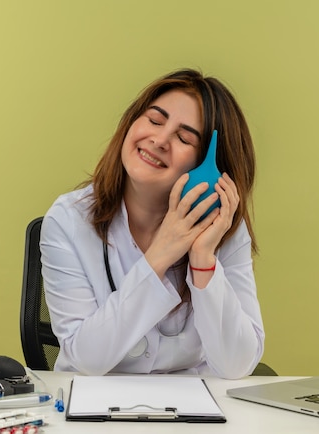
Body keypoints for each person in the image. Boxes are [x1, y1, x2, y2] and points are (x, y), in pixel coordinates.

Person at [40, 68, 264, 379]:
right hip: (93, 405)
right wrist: (160, 254)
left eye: (184, 137)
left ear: (207, 167)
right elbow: (86, 359)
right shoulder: (67, 220)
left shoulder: (222, 228)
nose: (159, 139)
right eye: (155, 120)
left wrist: (202, 261)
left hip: (192, 409)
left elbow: (237, 365)